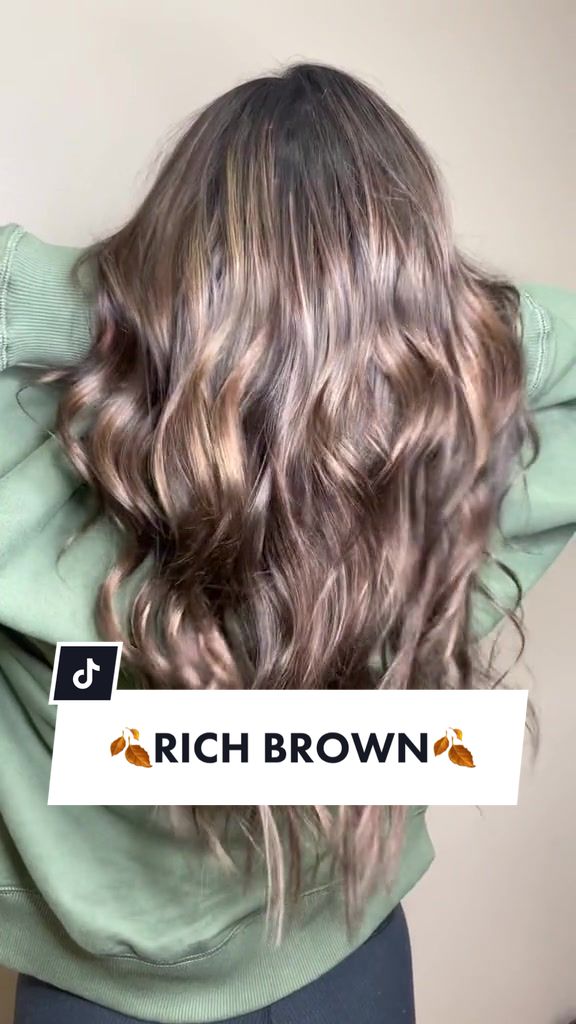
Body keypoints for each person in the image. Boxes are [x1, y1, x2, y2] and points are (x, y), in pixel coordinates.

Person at [0, 62, 574, 1024]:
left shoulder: (27, 462)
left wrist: (125, 321)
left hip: (227, 968)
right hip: (320, 960)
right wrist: (389, 329)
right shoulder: (427, 481)